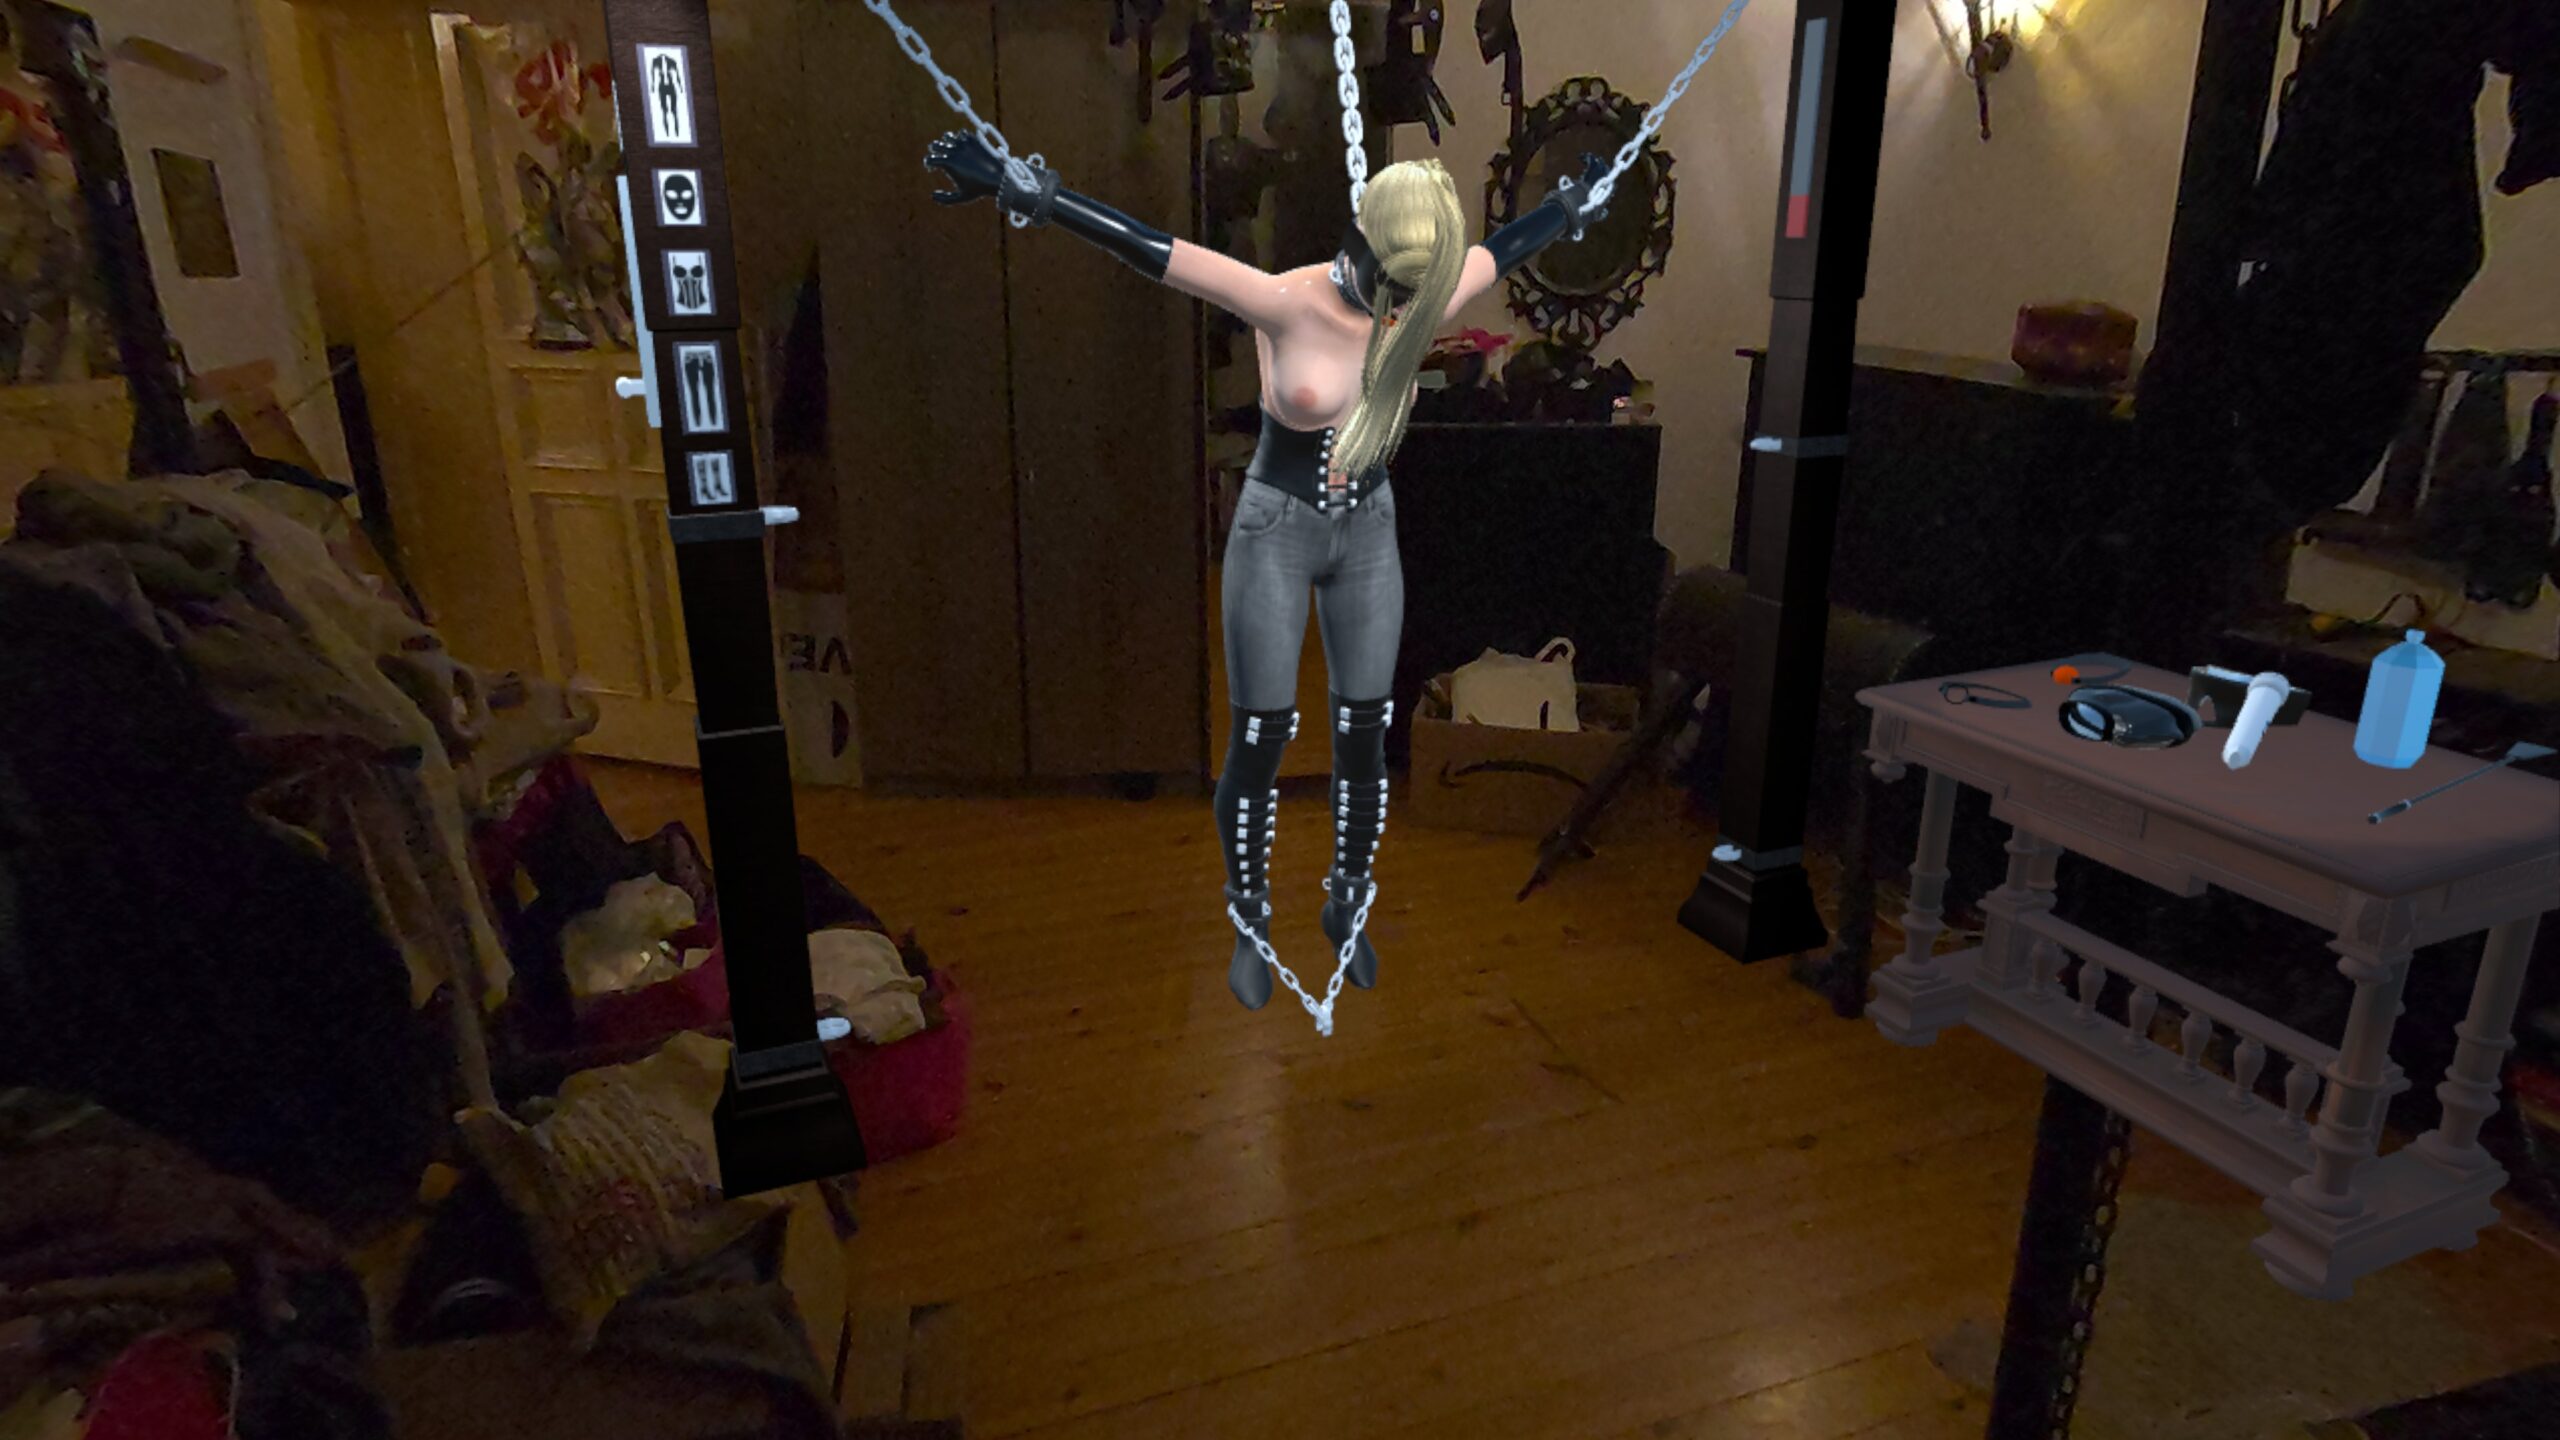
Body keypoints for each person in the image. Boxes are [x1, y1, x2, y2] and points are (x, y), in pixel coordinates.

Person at [925, 131, 1604, 1011]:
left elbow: (1505, 248)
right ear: (1362, 247)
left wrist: (1568, 208)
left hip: (1369, 529)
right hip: (1277, 526)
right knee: (1259, 737)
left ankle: (1347, 906)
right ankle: (1249, 920)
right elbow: (1154, 249)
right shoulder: (1284, 300)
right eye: (1397, 288)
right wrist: (1034, 194)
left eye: (1417, 295)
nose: (1404, 309)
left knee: (1364, 734)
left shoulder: (1422, 289)